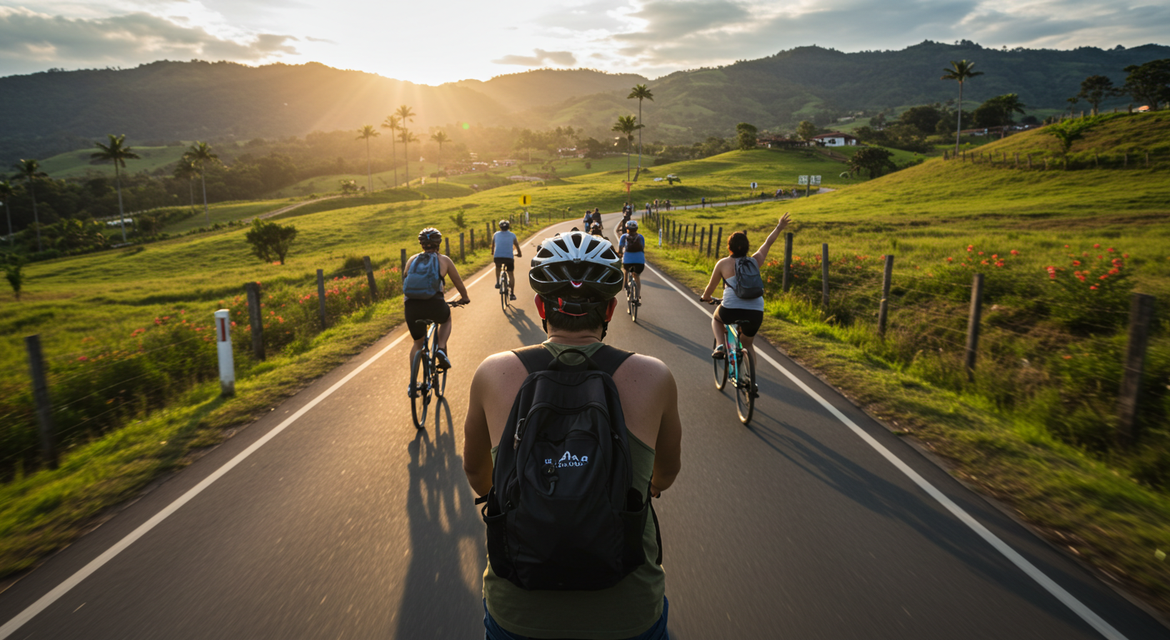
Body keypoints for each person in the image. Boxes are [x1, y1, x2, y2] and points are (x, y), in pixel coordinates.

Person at [463, 231, 682, 640]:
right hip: (627, 613)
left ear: (541, 305)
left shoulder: (492, 373)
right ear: (611, 309)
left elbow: (477, 474)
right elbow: (667, 472)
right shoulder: (654, 376)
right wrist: (644, 485)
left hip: (519, 612)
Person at [700, 213, 791, 367]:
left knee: (716, 319)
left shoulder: (722, 264)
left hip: (730, 309)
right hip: (755, 311)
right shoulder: (755, 261)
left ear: (729, 247)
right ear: (747, 247)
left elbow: (710, 288)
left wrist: (706, 297)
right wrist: (779, 227)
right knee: (747, 345)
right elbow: (768, 242)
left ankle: (721, 345)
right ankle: (751, 384)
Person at [403, 227, 470, 376]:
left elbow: (405, 280)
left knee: (417, 343)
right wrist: (465, 298)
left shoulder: (412, 260)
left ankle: (413, 382)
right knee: (446, 320)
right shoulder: (444, 260)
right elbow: (458, 282)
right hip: (435, 304)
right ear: (438, 243)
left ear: (421, 244)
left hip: (411, 307)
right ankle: (440, 348)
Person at [491, 220, 522, 301]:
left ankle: (497, 282)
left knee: (498, 267)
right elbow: (517, 246)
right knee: (511, 274)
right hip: (509, 257)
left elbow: (493, 246)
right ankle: (512, 294)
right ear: (509, 227)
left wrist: (492, 253)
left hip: (497, 257)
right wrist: (519, 254)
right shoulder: (512, 235)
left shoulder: (496, 234)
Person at [617, 219, 646, 296]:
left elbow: (620, 248)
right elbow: (642, 248)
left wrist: (620, 254)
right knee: (636, 275)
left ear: (627, 229)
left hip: (627, 260)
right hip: (640, 261)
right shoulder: (641, 237)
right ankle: (638, 296)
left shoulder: (624, 237)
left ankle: (625, 284)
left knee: (626, 270)